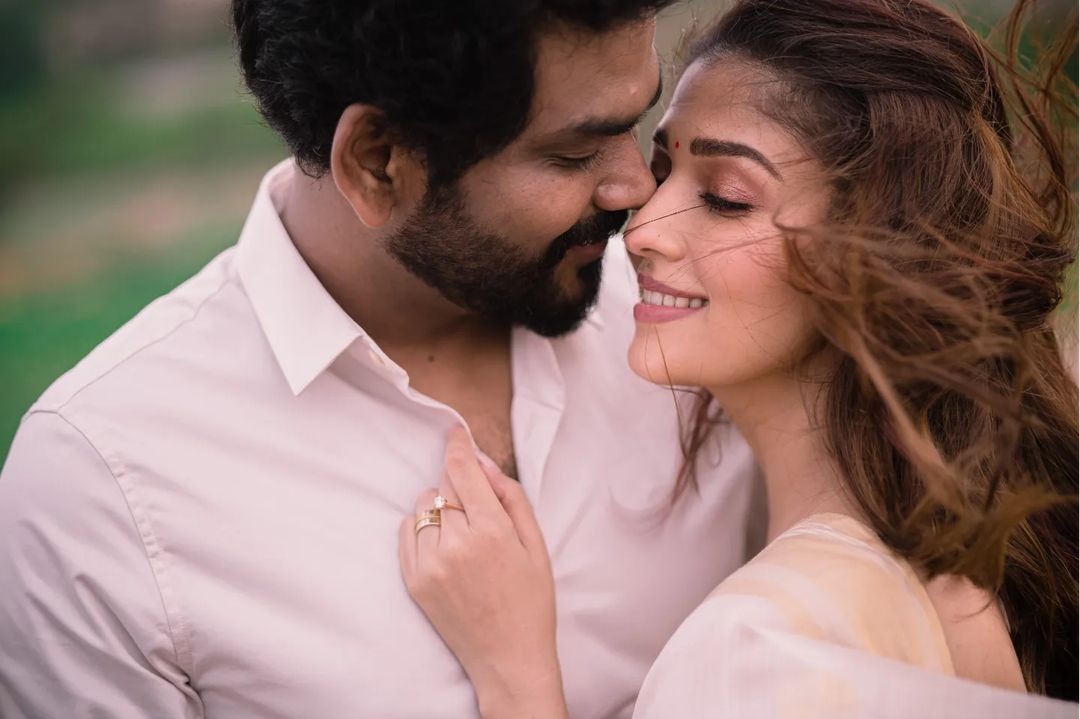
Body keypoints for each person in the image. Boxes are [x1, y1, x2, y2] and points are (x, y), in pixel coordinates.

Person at [0, 2, 762, 717]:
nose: (635, 187)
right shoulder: (102, 491)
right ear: (378, 162)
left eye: (636, 123)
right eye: (574, 153)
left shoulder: (711, 322)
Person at [399, 0, 1080, 716]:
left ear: (877, 251)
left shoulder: (755, 644)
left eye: (725, 199)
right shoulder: (963, 581)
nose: (642, 229)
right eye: (661, 171)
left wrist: (516, 677)